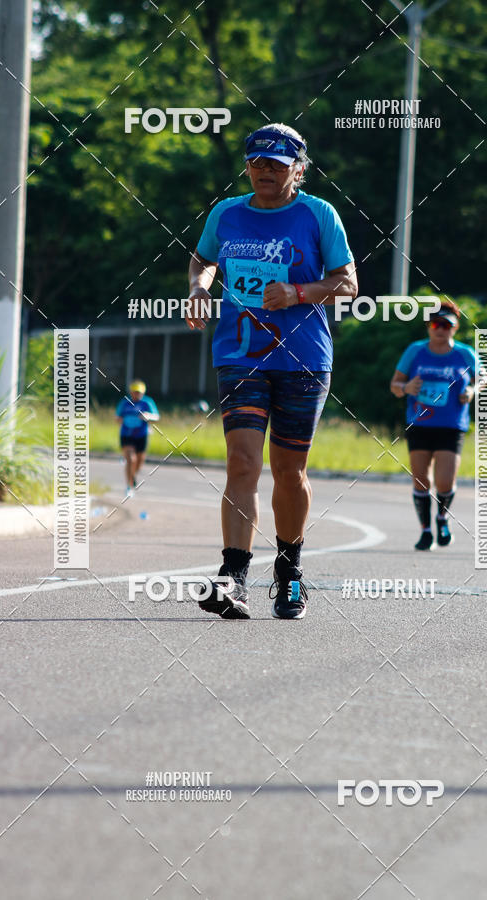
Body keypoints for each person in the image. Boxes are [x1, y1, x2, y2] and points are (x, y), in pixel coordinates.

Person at [186, 123, 357, 619]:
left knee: (289, 471)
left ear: (297, 170)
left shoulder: (318, 214)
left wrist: (298, 293)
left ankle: (289, 573)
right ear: (246, 166)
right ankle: (233, 578)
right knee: (242, 462)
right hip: (240, 354)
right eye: (258, 163)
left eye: (277, 166)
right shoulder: (226, 213)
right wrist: (199, 288)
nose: (265, 172)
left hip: (303, 358)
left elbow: (348, 283)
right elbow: (202, 259)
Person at [390, 301, 481, 550]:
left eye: (446, 325)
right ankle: (425, 531)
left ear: (455, 328)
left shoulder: (465, 354)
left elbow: (483, 378)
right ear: (428, 327)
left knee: (445, 481)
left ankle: (442, 517)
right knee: (420, 479)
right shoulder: (415, 351)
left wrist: (472, 390)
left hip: (451, 425)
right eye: (435, 325)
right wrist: (406, 388)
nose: (440, 329)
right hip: (420, 423)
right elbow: (395, 385)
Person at [115, 380, 160, 498]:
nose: (137, 395)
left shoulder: (147, 402)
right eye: (135, 392)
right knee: (131, 459)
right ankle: (129, 486)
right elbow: (117, 417)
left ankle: (132, 476)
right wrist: (120, 420)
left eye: (139, 392)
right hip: (127, 435)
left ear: (143, 393)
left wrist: (148, 416)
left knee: (139, 461)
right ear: (131, 392)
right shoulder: (125, 403)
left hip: (141, 435)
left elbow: (156, 417)